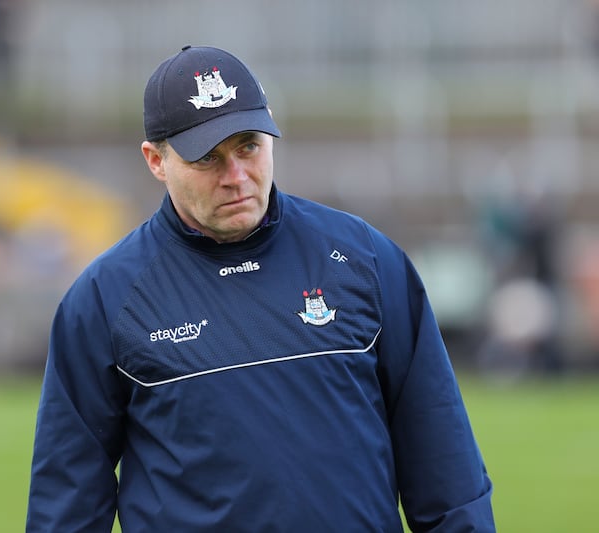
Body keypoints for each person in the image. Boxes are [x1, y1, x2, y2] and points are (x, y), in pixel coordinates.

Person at [26, 45, 495, 532]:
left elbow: (446, 465)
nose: (237, 177)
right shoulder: (106, 299)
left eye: (249, 145)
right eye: (208, 158)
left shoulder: (366, 260)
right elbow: (68, 503)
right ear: (156, 160)